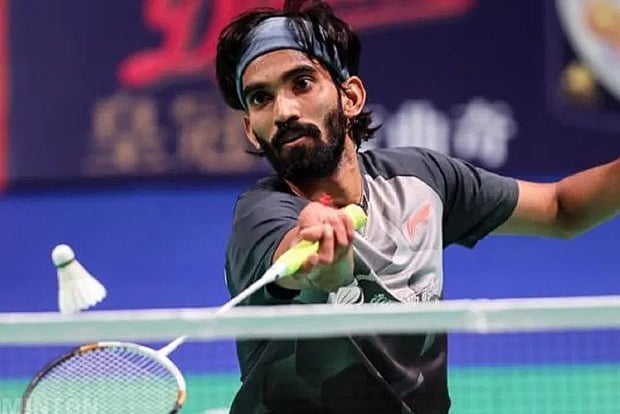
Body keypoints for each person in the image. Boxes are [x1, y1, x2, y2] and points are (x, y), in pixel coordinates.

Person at [216, 1, 620, 413]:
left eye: (302, 83)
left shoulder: (421, 181)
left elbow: (560, 208)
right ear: (250, 128)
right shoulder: (258, 217)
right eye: (261, 98)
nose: (283, 111)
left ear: (350, 97)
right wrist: (323, 259)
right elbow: (306, 266)